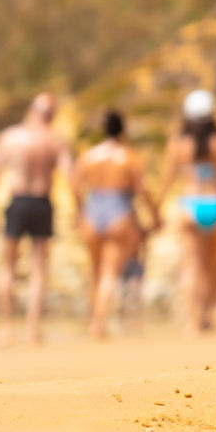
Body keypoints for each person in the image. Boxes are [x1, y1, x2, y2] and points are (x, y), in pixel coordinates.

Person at [0, 93, 72, 345]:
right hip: (42, 203)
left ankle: (7, 329)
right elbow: (69, 175)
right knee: (38, 269)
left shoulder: (11, 137)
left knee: (9, 266)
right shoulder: (55, 141)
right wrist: (80, 205)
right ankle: (33, 330)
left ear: (31, 110)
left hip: (18, 202)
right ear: (52, 115)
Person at [72, 109, 160, 339]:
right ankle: (99, 324)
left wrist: (80, 211)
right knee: (110, 272)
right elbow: (143, 191)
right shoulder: (129, 157)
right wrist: (155, 215)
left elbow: (74, 186)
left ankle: (94, 320)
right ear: (123, 130)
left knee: (95, 271)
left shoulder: (89, 156)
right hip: (119, 209)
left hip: (93, 208)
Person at [158, 90, 216, 333]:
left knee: (190, 265)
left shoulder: (178, 143)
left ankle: (191, 322)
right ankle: (209, 315)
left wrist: (156, 208)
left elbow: (167, 180)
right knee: (213, 264)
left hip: (190, 205)